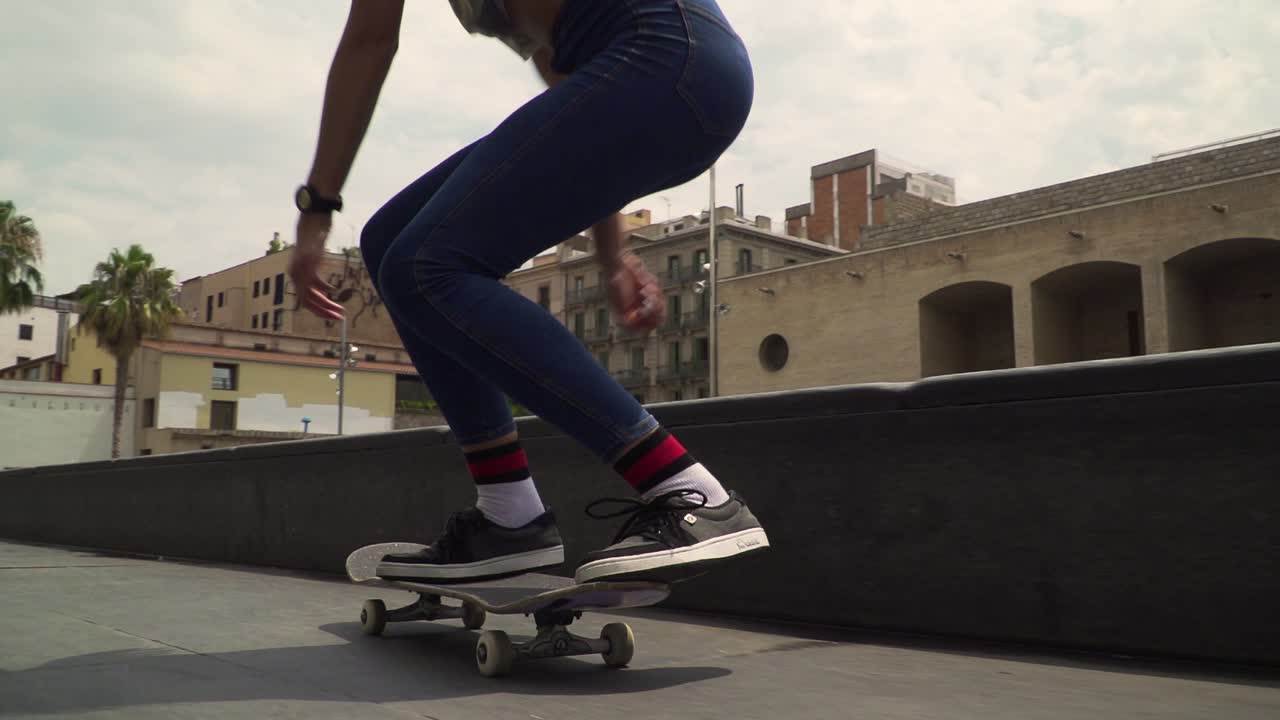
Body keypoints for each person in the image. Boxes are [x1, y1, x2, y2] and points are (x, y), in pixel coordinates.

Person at [288, 0, 769, 585]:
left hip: (666, 57)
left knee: (428, 264)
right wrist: (611, 252)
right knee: (392, 243)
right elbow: (566, 78)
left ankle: (693, 495)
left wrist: (317, 208)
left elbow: (370, 40)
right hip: (666, 74)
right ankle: (509, 516)